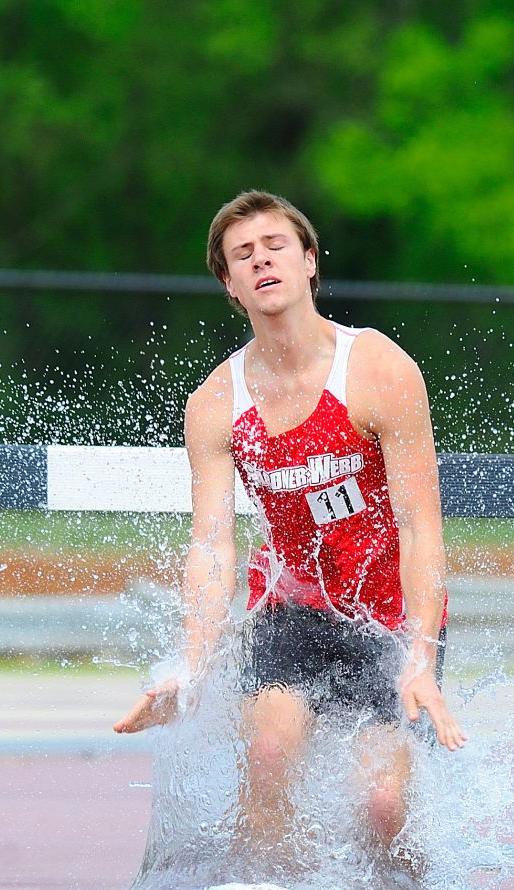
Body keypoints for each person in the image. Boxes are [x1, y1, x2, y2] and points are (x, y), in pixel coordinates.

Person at [115, 190, 466, 852]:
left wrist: (420, 658)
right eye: (243, 254)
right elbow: (212, 546)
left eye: (275, 246)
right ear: (229, 283)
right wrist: (192, 666)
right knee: (270, 753)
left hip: (389, 614)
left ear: (309, 261)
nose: (261, 260)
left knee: (383, 806)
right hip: (293, 608)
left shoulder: (377, 369)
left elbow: (422, 529)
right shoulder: (216, 402)